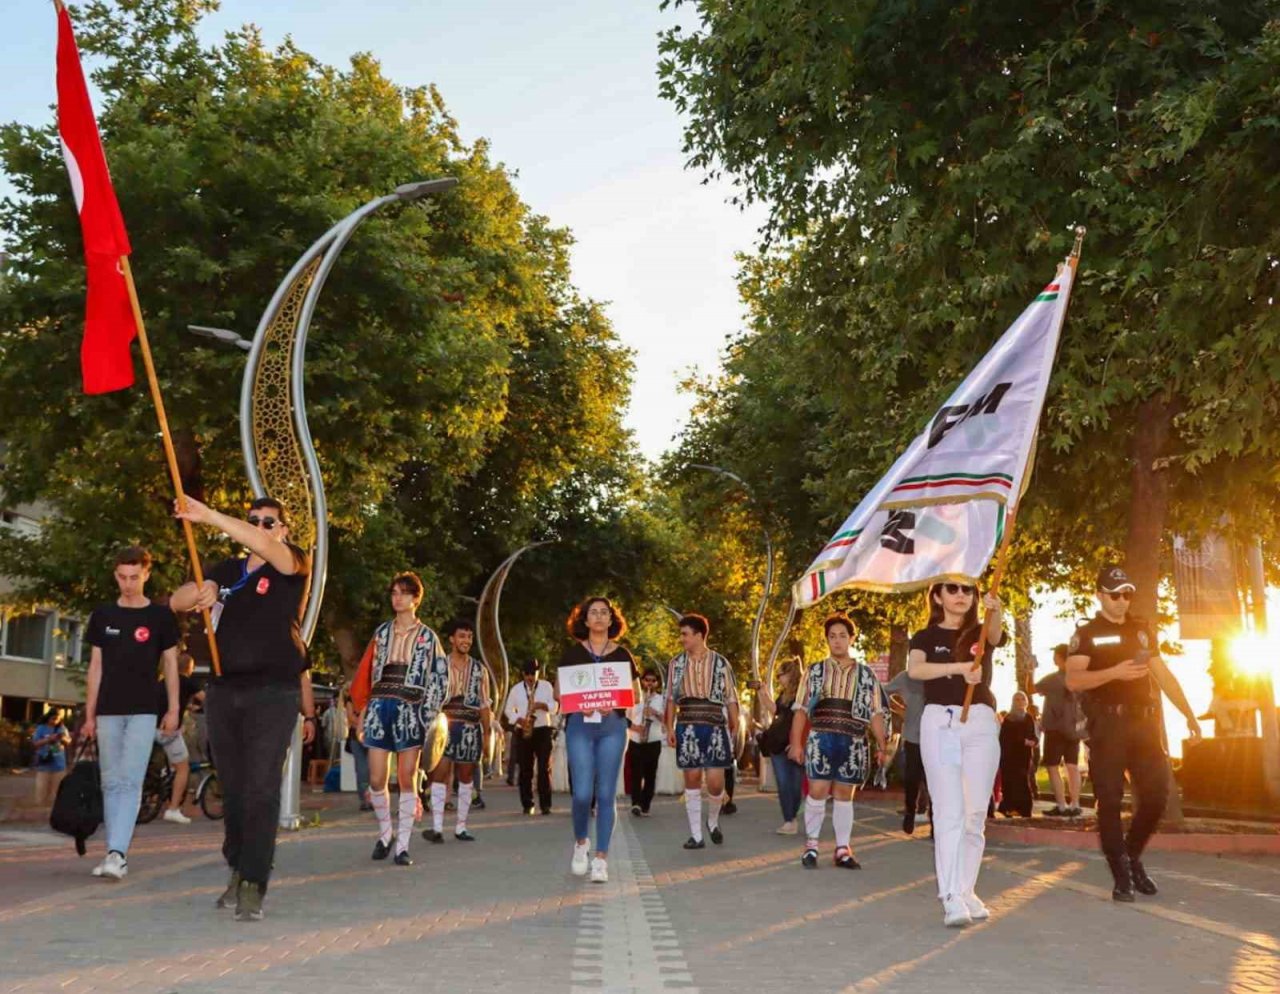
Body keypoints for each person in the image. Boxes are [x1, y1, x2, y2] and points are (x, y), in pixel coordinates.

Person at [170, 496, 316, 922]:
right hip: (223, 690)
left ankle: (254, 882)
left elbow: (267, 549)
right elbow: (178, 602)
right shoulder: (225, 570)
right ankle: (237, 866)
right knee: (232, 791)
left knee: (260, 788)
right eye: (253, 520)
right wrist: (202, 592)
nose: (259, 526)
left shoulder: (293, 564)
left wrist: (211, 516)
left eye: (269, 522)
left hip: (273, 692)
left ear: (283, 530)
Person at [1066, 564, 1202, 902]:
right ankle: (1121, 874)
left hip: (1144, 726)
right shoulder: (1087, 634)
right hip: (1108, 727)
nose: (1122, 600)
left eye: (1127, 594)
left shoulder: (1141, 631)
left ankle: (1132, 854)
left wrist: (1189, 714)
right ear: (1099, 595)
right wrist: (1114, 673)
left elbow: (1164, 675)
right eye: (1115, 594)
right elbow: (1073, 680)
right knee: (1109, 802)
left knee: (1158, 796)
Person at [908, 581, 1006, 927]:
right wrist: (957, 669)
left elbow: (994, 635)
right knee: (949, 811)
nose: (961, 595)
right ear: (938, 596)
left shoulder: (980, 631)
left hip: (980, 721)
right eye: (952, 589)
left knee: (975, 813)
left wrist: (997, 608)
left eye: (968, 590)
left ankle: (966, 889)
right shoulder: (924, 637)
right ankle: (950, 896)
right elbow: (915, 669)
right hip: (941, 722)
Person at [79, 545, 181, 879]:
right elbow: (95, 667)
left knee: (130, 780)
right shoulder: (104, 615)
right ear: (115, 576)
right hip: (108, 709)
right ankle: (113, 850)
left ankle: (117, 852)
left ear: (146, 575)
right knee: (111, 781)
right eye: (122, 577)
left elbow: (170, 664)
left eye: (134, 577)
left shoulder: (160, 617)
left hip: (144, 710)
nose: (128, 583)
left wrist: (174, 709)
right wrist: (89, 715)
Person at [349, 572, 447, 866]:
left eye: (404, 593)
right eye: (394, 593)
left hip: (411, 710)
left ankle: (403, 845)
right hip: (380, 706)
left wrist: (428, 715)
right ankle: (385, 832)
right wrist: (363, 710)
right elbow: (367, 673)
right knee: (376, 777)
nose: (398, 598)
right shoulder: (381, 633)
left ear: (416, 598)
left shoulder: (428, 637)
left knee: (406, 778)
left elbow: (440, 678)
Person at [788, 613, 888, 870]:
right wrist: (796, 743)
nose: (837, 641)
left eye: (843, 635)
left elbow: (876, 713)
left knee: (845, 794)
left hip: (854, 739)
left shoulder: (867, 676)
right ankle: (811, 845)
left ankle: (842, 849)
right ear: (827, 640)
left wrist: (882, 745)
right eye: (832, 636)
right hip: (821, 737)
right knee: (818, 790)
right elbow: (800, 710)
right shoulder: (814, 671)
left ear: (852, 638)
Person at [560, 596, 640, 883]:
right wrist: (577, 702)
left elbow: (635, 695)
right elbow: (561, 693)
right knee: (582, 793)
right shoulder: (571, 655)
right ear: (584, 620)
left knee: (606, 794)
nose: (598, 617)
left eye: (603, 613)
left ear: (611, 620)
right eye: (592, 612)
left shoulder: (623, 655)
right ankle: (581, 842)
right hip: (580, 726)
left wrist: (613, 701)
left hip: (612, 727)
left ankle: (601, 859)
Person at [664, 614, 739, 850]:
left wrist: (735, 721)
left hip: (715, 724)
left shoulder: (721, 662)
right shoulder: (675, 664)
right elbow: (670, 698)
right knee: (692, 777)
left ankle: (712, 821)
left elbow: (730, 696)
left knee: (716, 783)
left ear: (699, 635)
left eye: (685, 634)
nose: (681, 638)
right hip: (686, 723)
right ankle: (696, 835)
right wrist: (669, 727)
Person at [424, 618, 490, 843]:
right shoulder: (439, 666)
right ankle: (437, 828)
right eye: (462, 636)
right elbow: (431, 698)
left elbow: (484, 704)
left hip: (471, 727)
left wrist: (488, 733)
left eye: (469, 637)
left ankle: (461, 827)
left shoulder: (480, 669)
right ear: (452, 639)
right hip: (444, 724)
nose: (466, 641)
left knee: (465, 776)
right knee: (440, 775)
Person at [503, 659, 558, 816]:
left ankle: (545, 805)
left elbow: (556, 707)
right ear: (523, 674)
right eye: (527, 674)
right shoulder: (516, 690)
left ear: (538, 673)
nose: (530, 677)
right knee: (525, 769)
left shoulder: (547, 687)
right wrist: (518, 719)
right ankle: (528, 804)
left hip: (543, 729)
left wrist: (543, 706)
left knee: (544, 768)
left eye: (533, 673)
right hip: (524, 730)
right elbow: (508, 710)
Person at [1035, 644, 1083, 816]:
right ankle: (1075, 804)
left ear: (1061, 658)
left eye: (1055, 655)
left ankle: (1062, 805)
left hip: (1055, 728)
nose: (1053, 658)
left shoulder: (1053, 679)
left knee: (1053, 766)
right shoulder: (1079, 678)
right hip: (1074, 728)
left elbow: (1031, 689)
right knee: (1072, 765)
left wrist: (1029, 671)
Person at [156, 651, 202, 825]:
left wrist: (187, 706)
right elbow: (206, 699)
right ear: (189, 667)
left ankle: (160, 775)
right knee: (183, 768)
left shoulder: (163, 681)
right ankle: (173, 809)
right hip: (168, 731)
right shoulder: (188, 682)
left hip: (151, 726)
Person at [759, 658, 804, 835]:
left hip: (794, 744)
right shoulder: (784, 695)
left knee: (795, 784)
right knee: (784, 783)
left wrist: (797, 742)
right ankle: (789, 820)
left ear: (790, 674)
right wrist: (762, 693)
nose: (778, 678)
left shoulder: (802, 695)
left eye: (781, 674)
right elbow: (775, 710)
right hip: (778, 744)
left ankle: (792, 816)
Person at [883, 663, 928, 835]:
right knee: (911, 778)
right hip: (913, 737)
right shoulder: (905, 677)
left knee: (934, 781)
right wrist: (899, 709)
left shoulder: (937, 675)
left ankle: (935, 820)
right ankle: (910, 811)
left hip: (936, 737)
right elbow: (884, 692)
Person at [627, 668, 666, 817]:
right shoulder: (635, 698)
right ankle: (635, 803)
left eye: (653, 681)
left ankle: (646, 805)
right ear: (642, 681)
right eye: (646, 680)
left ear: (657, 683)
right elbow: (625, 717)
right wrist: (635, 728)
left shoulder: (661, 699)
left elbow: (666, 720)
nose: (649, 683)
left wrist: (654, 712)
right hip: (636, 739)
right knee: (636, 774)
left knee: (650, 775)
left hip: (653, 740)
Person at [997, 691, 1037, 818]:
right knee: (1010, 782)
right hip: (1010, 756)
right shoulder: (1008, 719)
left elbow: (1033, 735)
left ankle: (1025, 810)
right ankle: (1008, 808)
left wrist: (1034, 742)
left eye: (1022, 699)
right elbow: (1006, 738)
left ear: (1026, 702)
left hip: (1024, 756)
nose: (1020, 702)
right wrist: (1023, 741)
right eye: (1017, 699)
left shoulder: (1028, 718)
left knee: (1023, 782)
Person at [31, 708, 72, 807]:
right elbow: (35, 743)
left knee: (57, 791)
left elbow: (69, 742)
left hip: (59, 764)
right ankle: (40, 808)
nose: (55, 721)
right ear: (48, 717)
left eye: (57, 719)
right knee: (41, 789)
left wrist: (62, 738)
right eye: (53, 718)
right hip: (44, 763)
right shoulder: (41, 728)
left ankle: (53, 810)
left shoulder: (62, 728)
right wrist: (48, 739)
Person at [342, 684, 372, 810]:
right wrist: (363, 724)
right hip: (357, 739)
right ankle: (364, 800)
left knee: (373, 770)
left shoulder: (371, 699)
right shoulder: (350, 701)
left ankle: (372, 799)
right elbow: (350, 718)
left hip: (371, 738)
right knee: (362, 770)